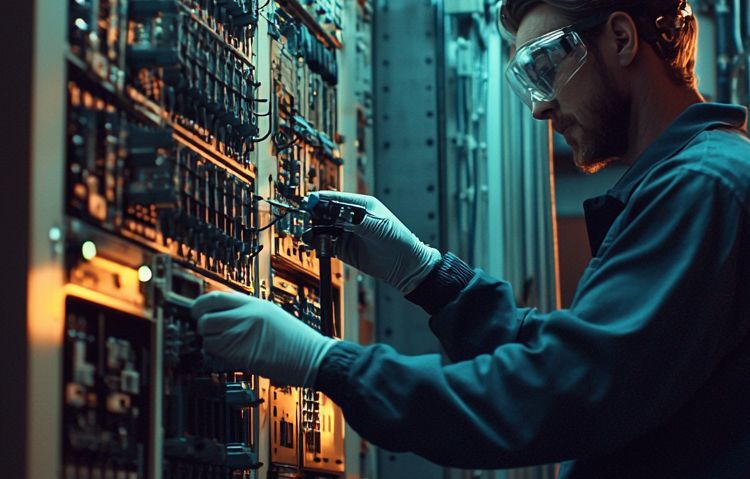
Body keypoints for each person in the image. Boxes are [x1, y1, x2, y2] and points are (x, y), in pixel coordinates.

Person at [190, 0, 750, 476]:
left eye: (546, 66)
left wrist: (326, 362)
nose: (541, 107)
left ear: (622, 39)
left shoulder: (703, 187)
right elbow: (578, 358)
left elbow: (557, 392)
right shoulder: (697, 179)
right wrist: (429, 276)